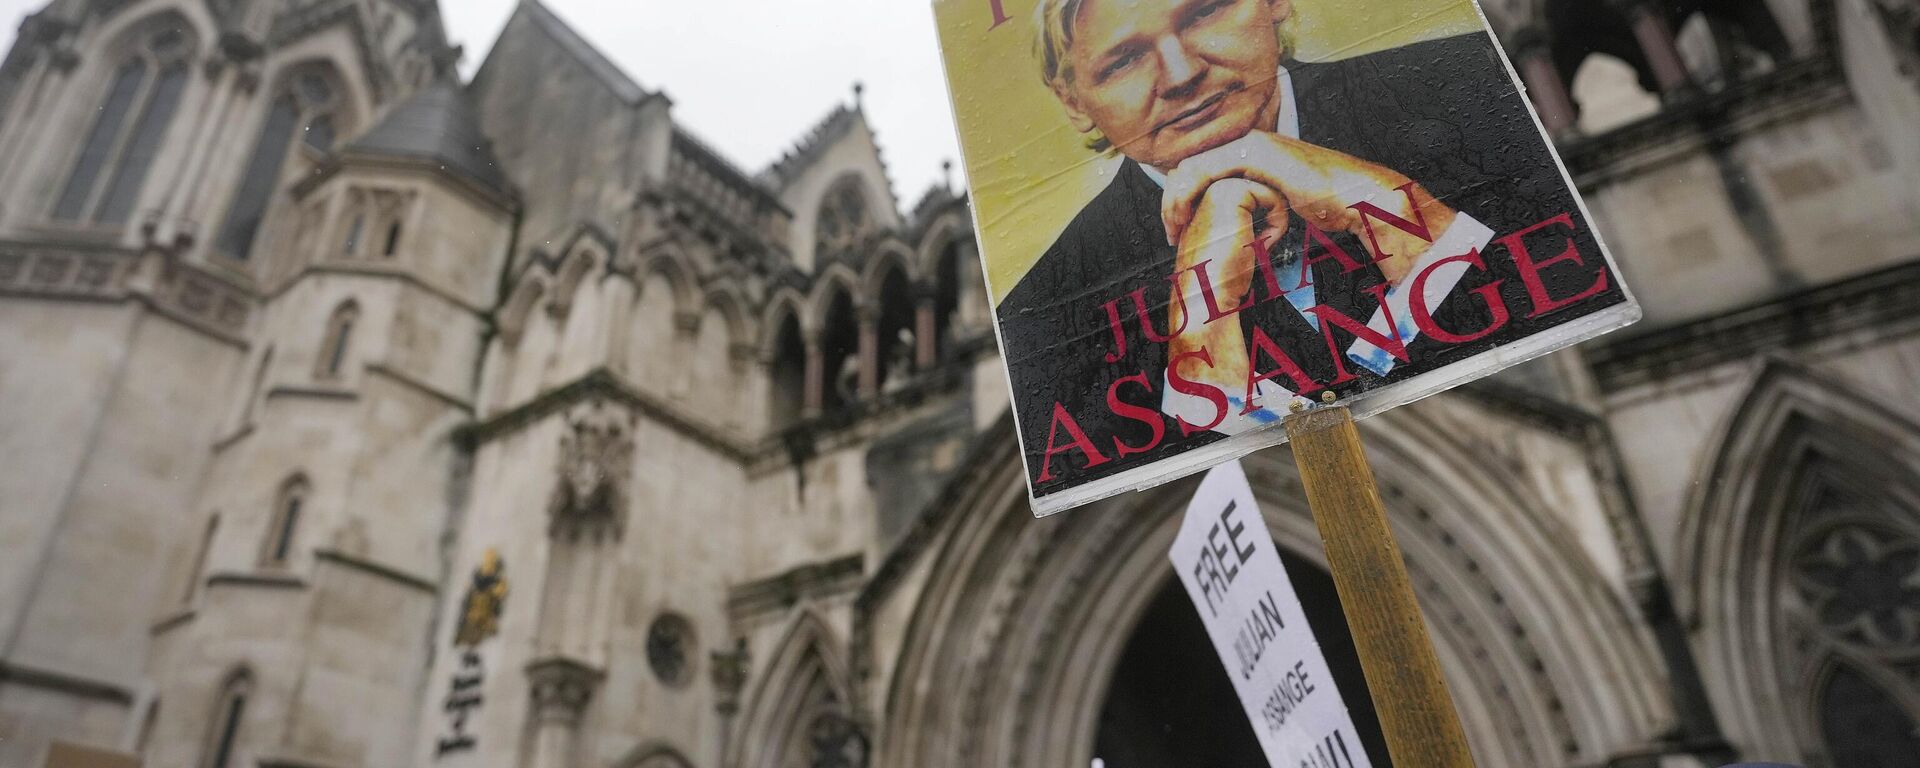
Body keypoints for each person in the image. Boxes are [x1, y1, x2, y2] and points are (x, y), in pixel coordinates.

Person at [995, 0, 1619, 493]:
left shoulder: (1473, 87)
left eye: (1206, 11)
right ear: (1074, 101)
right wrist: (1201, 319)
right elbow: (1168, 496)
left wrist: (1391, 207)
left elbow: (1557, 300)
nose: (1181, 75)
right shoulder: (1040, 314)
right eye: (1125, 60)